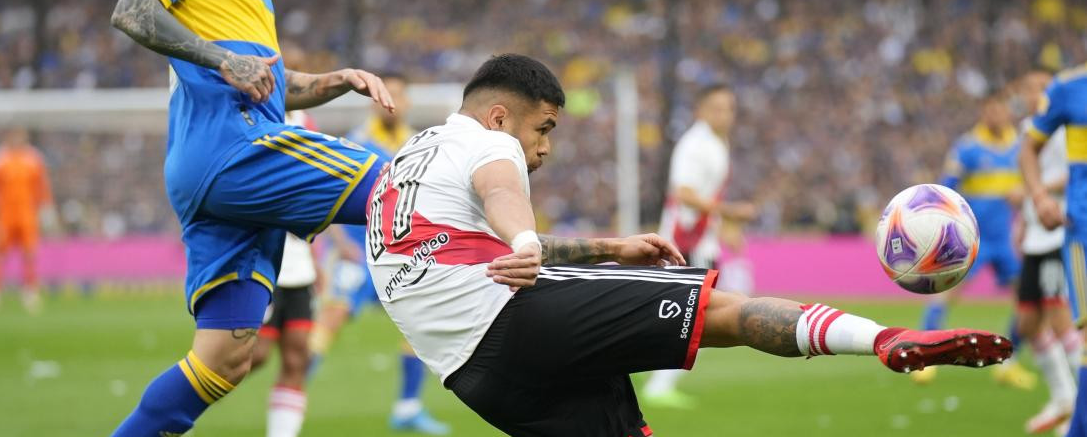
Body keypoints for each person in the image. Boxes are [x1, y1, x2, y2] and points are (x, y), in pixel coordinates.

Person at [367, 53, 1013, 437]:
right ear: (503, 114)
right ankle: (884, 339)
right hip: (515, 318)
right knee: (723, 312)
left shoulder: (408, 159)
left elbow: (487, 250)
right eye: (544, 128)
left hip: (474, 376)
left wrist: (608, 250)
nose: (545, 148)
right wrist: (526, 232)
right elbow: (504, 192)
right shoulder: (489, 141)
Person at [106, 0, 395, 437]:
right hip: (232, 151)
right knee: (404, 190)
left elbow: (264, 83)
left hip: (212, 164)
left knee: (224, 359)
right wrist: (222, 60)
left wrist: (332, 80)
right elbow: (132, 9)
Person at [311, 73, 450, 434]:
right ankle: (294, 386)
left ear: (407, 102)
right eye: (384, 95)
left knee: (420, 326)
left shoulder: (419, 145)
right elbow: (328, 194)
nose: (390, 101)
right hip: (356, 252)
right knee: (333, 318)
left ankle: (407, 407)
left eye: (399, 95)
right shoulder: (355, 142)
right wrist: (339, 243)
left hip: (401, 256)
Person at [912, 88, 1036, 388]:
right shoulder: (967, 147)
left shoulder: (1020, 146)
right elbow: (947, 191)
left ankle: (1010, 362)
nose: (996, 114)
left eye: (1001, 109)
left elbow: (1030, 183)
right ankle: (921, 357)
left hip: (1005, 240)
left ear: (1008, 110)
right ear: (983, 111)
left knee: (1026, 300)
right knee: (948, 293)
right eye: (990, 109)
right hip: (972, 240)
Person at [643, 82, 756, 408]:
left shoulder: (716, 143)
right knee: (696, 315)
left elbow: (703, 199)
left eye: (730, 109)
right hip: (684, 244)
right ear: (701, 111)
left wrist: (723, 227)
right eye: (718, 108)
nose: (726, 115)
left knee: (694, 315)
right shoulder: (695, 145)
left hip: (699, 242)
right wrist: (731, 213)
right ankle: (658, 384)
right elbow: (685, 194)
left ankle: (657, 379)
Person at [1021, 63, 1087, 437]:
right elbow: (1027, 153)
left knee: (1057, 318)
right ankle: (1069, 402)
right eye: (1029, 87)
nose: (1034, 94)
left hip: (1053, 234)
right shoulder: (1069, 91)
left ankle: (1069, 404)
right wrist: (1038, 198)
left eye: (1038, 86)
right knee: (1037, 321)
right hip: (1073, 230)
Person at [0, 127, 55, 315]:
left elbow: (41, 186)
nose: (18, 138)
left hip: (27, 214)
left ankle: (30, 293)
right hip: (4, 214)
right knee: (0, 254)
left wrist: (46, 208)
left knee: (29, 254)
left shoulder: (34, 158)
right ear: (8, 136)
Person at [251, 232, 317, 437]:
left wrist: (315, 262)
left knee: (296, 360)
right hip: (264, 270)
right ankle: (189, 399)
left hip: (301, 277)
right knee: (253, 355)